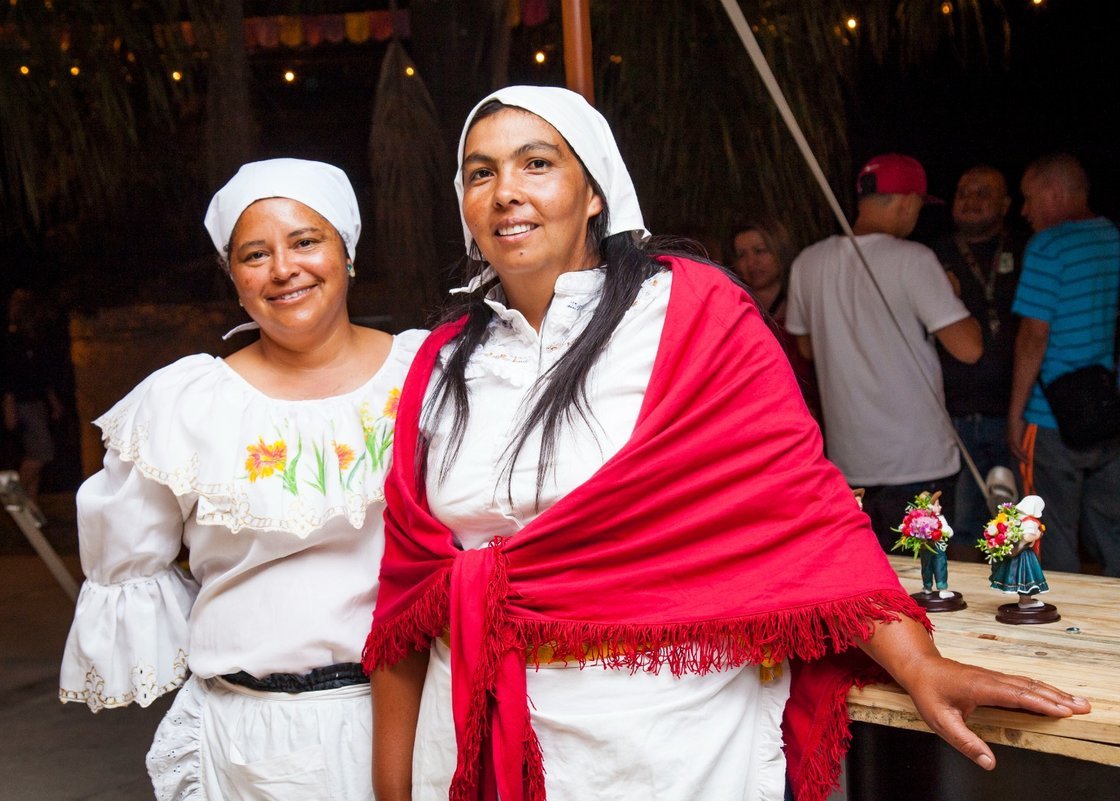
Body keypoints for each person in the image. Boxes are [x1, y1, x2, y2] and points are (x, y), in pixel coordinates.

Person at [365, 87, 1088, 801]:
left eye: (536, 164)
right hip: (468, 733)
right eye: (481, 172)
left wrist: (919, 662)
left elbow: (801, 506)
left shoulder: (688, 313)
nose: (505, 192)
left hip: (664, 739)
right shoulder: (441, 361)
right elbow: (410, 593)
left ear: (594, 191)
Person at [58, 159, 425, 800]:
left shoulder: (427, 372)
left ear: (347, 253)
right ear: (234, 278)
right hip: (246, 739)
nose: (283, 269)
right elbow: (125, 557)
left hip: (413, 720)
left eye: (306, 241)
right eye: (255, 254)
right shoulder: (187, 404)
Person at [786, 153, 984, 547]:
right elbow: (970, 348)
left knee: (866, 574)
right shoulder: (913, 260)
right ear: (907, 202)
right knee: (926, 576)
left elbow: (806, 346)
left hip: (849, 462)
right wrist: (952, 293)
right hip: (918, 460)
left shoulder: (808, 263)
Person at [1008, 153, 1120, 575]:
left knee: (1047, 530)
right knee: (1111, 529)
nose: (1025, 210)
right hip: (1106, 407)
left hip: (1050, 415)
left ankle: (1057, 612)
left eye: (1029, 197)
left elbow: (1034, 336)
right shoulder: (1112, 237)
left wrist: (1015, 414)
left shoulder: (1049, 246)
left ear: (1055, 192)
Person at [929, 166, 1026, 541]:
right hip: (953, 412)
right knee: (962, 525)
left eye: (982, 193)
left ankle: (1021, 580)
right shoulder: (933, 255)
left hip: (1014, 413)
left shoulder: (1025, 249)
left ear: (1006, 204)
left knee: (1020, 523)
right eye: (962, 193)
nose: (970, 200)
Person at [730, 218, 823, 425]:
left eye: (760, 251)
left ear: (779, 251)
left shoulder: (808, 303)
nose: (751, 262)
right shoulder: (733, 309)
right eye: (742, 255)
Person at [2, 287, 64, 501]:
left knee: (33, 453)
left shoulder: (35, 337)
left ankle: (31, 508)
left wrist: (53, 402)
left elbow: (42, 374)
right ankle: (12, 497)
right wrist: (9, 406)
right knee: (43, 453)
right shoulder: (14, 338)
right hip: (24, 403)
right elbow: (9, 375)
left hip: (37, 402)